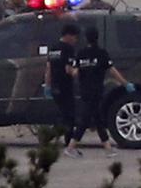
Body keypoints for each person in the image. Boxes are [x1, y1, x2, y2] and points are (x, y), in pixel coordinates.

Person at [70, 27, 135, 157]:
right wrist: (125, 83)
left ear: (86, 38)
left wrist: (82, 71)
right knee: (86, 119)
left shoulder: (81, 53)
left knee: (97, 118)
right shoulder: (101, 53)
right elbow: (112, 70)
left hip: (84, 90)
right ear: (97, 38)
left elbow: (74, 72)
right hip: (96, 90)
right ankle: (71, 147)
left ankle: (108, 148)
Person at [44, 23, 80, 157]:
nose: (76, 40)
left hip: (54, 86)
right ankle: (68, 143)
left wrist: (47, 86)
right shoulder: (68, 49)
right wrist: (80, 71)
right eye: (75, 37)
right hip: (65, 86)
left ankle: (49, 136)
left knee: (63, 114)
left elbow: (48, 68)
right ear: (69, 35)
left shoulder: (53, 48)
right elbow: (68, 69)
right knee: (69, 115)